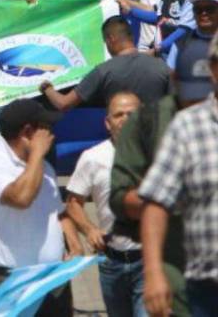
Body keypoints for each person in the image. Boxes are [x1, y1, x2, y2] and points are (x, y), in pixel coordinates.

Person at [137, 35, 218, 316]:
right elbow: (156, 202)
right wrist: (154, 273)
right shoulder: (187, 127)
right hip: (208, 292)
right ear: (214, 70)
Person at [0, 98, 76, 316]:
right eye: (46, 128)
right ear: (28, 132)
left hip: (54, 276)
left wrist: (73, 242)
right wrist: (37, 154)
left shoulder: (45, 167)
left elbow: (57, 211)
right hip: (13, 278)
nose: (51, 135)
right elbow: (21, 198)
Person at [64, 91, 143, 317]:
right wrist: (89, 229)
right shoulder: (93, 157)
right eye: (119, 115)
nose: (125, 119)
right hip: (111, 261)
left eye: (132, 114)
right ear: (108, 123)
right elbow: (73, 202)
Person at [40, 16, 171, 110]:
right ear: (131, 36)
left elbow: (63, 104)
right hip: (161, 142)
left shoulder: (103, 71)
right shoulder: (162, 67)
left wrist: (47, 88)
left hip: (124, 143)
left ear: (111, 39)